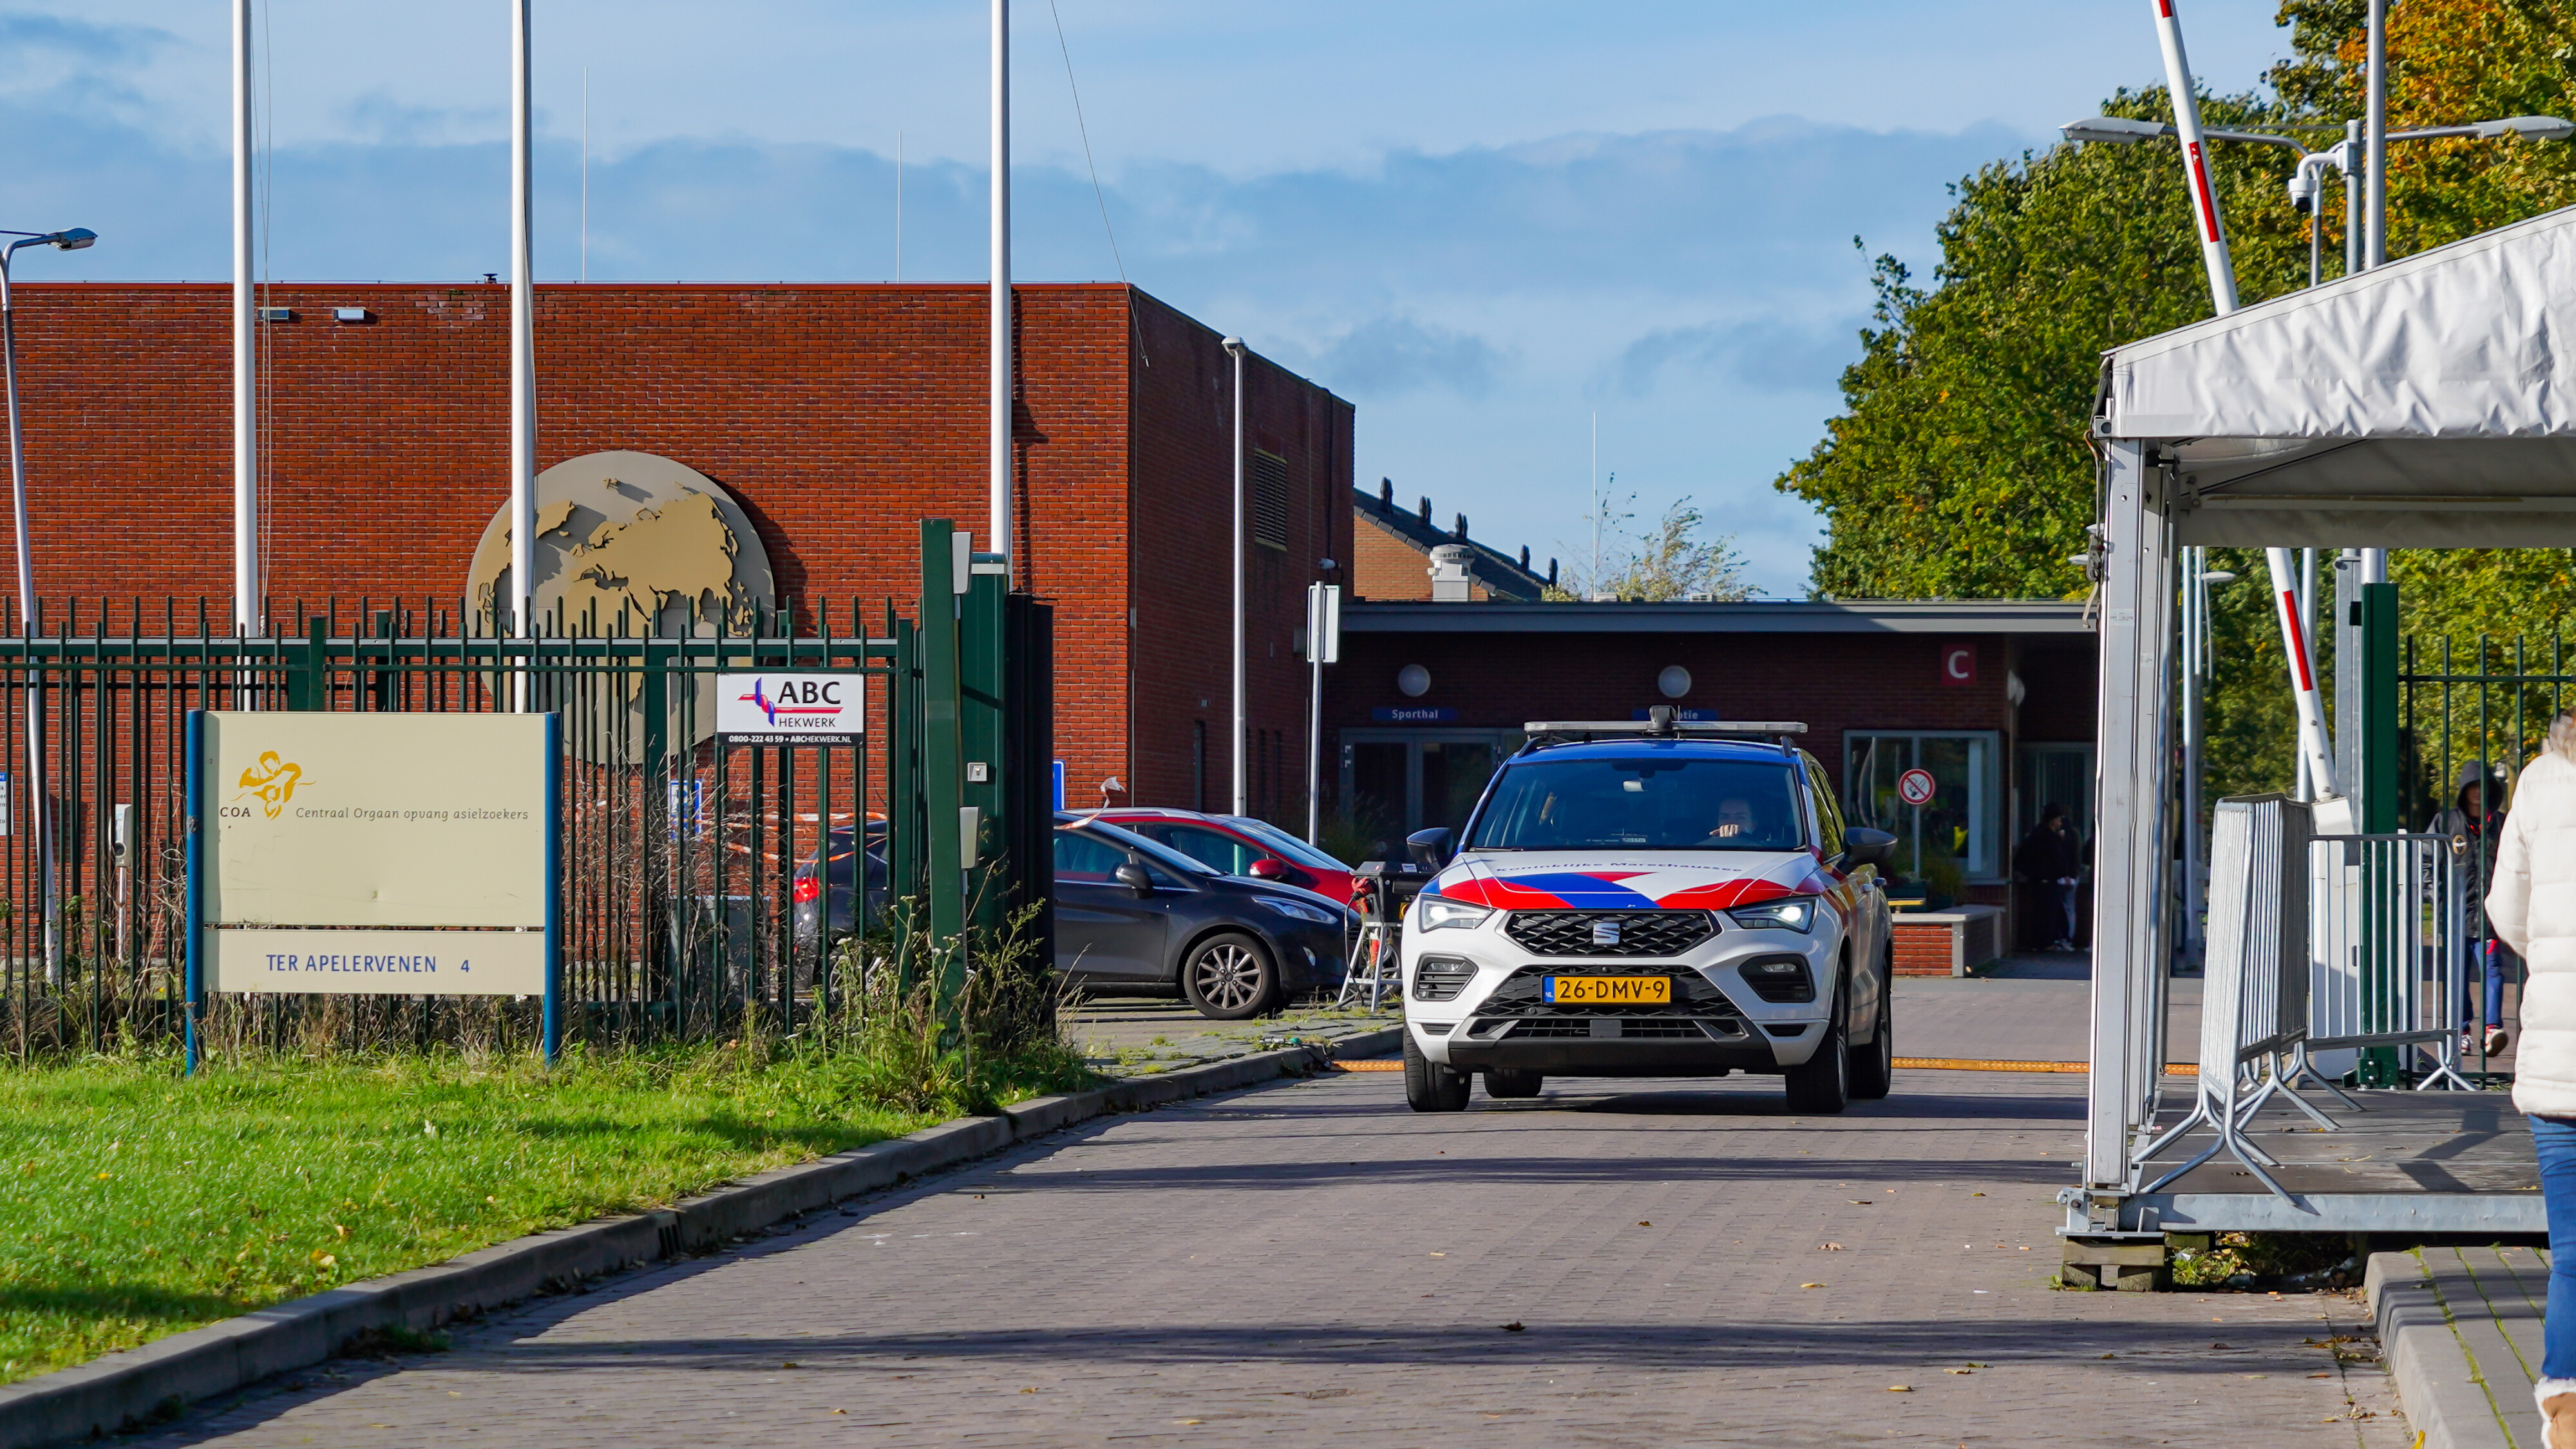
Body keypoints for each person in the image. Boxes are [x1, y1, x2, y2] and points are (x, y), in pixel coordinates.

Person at [2488, 714, 2576, 1442]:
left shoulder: (2541, 783)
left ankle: (2565, 1402)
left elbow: (2504, 908)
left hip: (2559, 1059)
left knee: (2572, 1253)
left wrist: (2548, 959)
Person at [2430, 759, 2517, 1057]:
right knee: (2457, 975)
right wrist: (2435, 894)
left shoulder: (2502, 823)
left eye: (2483, 787)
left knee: (2493, 970)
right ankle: (2462, 1030)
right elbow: (2428, 860)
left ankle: (2493, 1028)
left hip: (2491, 916)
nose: (2478, 793)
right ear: (2464, 791)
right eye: (2472, 788)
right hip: (2455, 916)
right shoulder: (2446, 822)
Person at [2015, 803, 2083, 951]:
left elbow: (2021, 858)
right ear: (2053, 821)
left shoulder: (2035, 835)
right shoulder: (2051, 839)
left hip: (2037, 880)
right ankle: (2048, 943)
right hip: (2049, 881)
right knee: (2050, 914)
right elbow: (2058, 861)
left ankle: (2039, 943)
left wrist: (2029, 873)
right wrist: (2064, 874)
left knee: (2040, 913)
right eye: (2059, 820)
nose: (2060, 823)